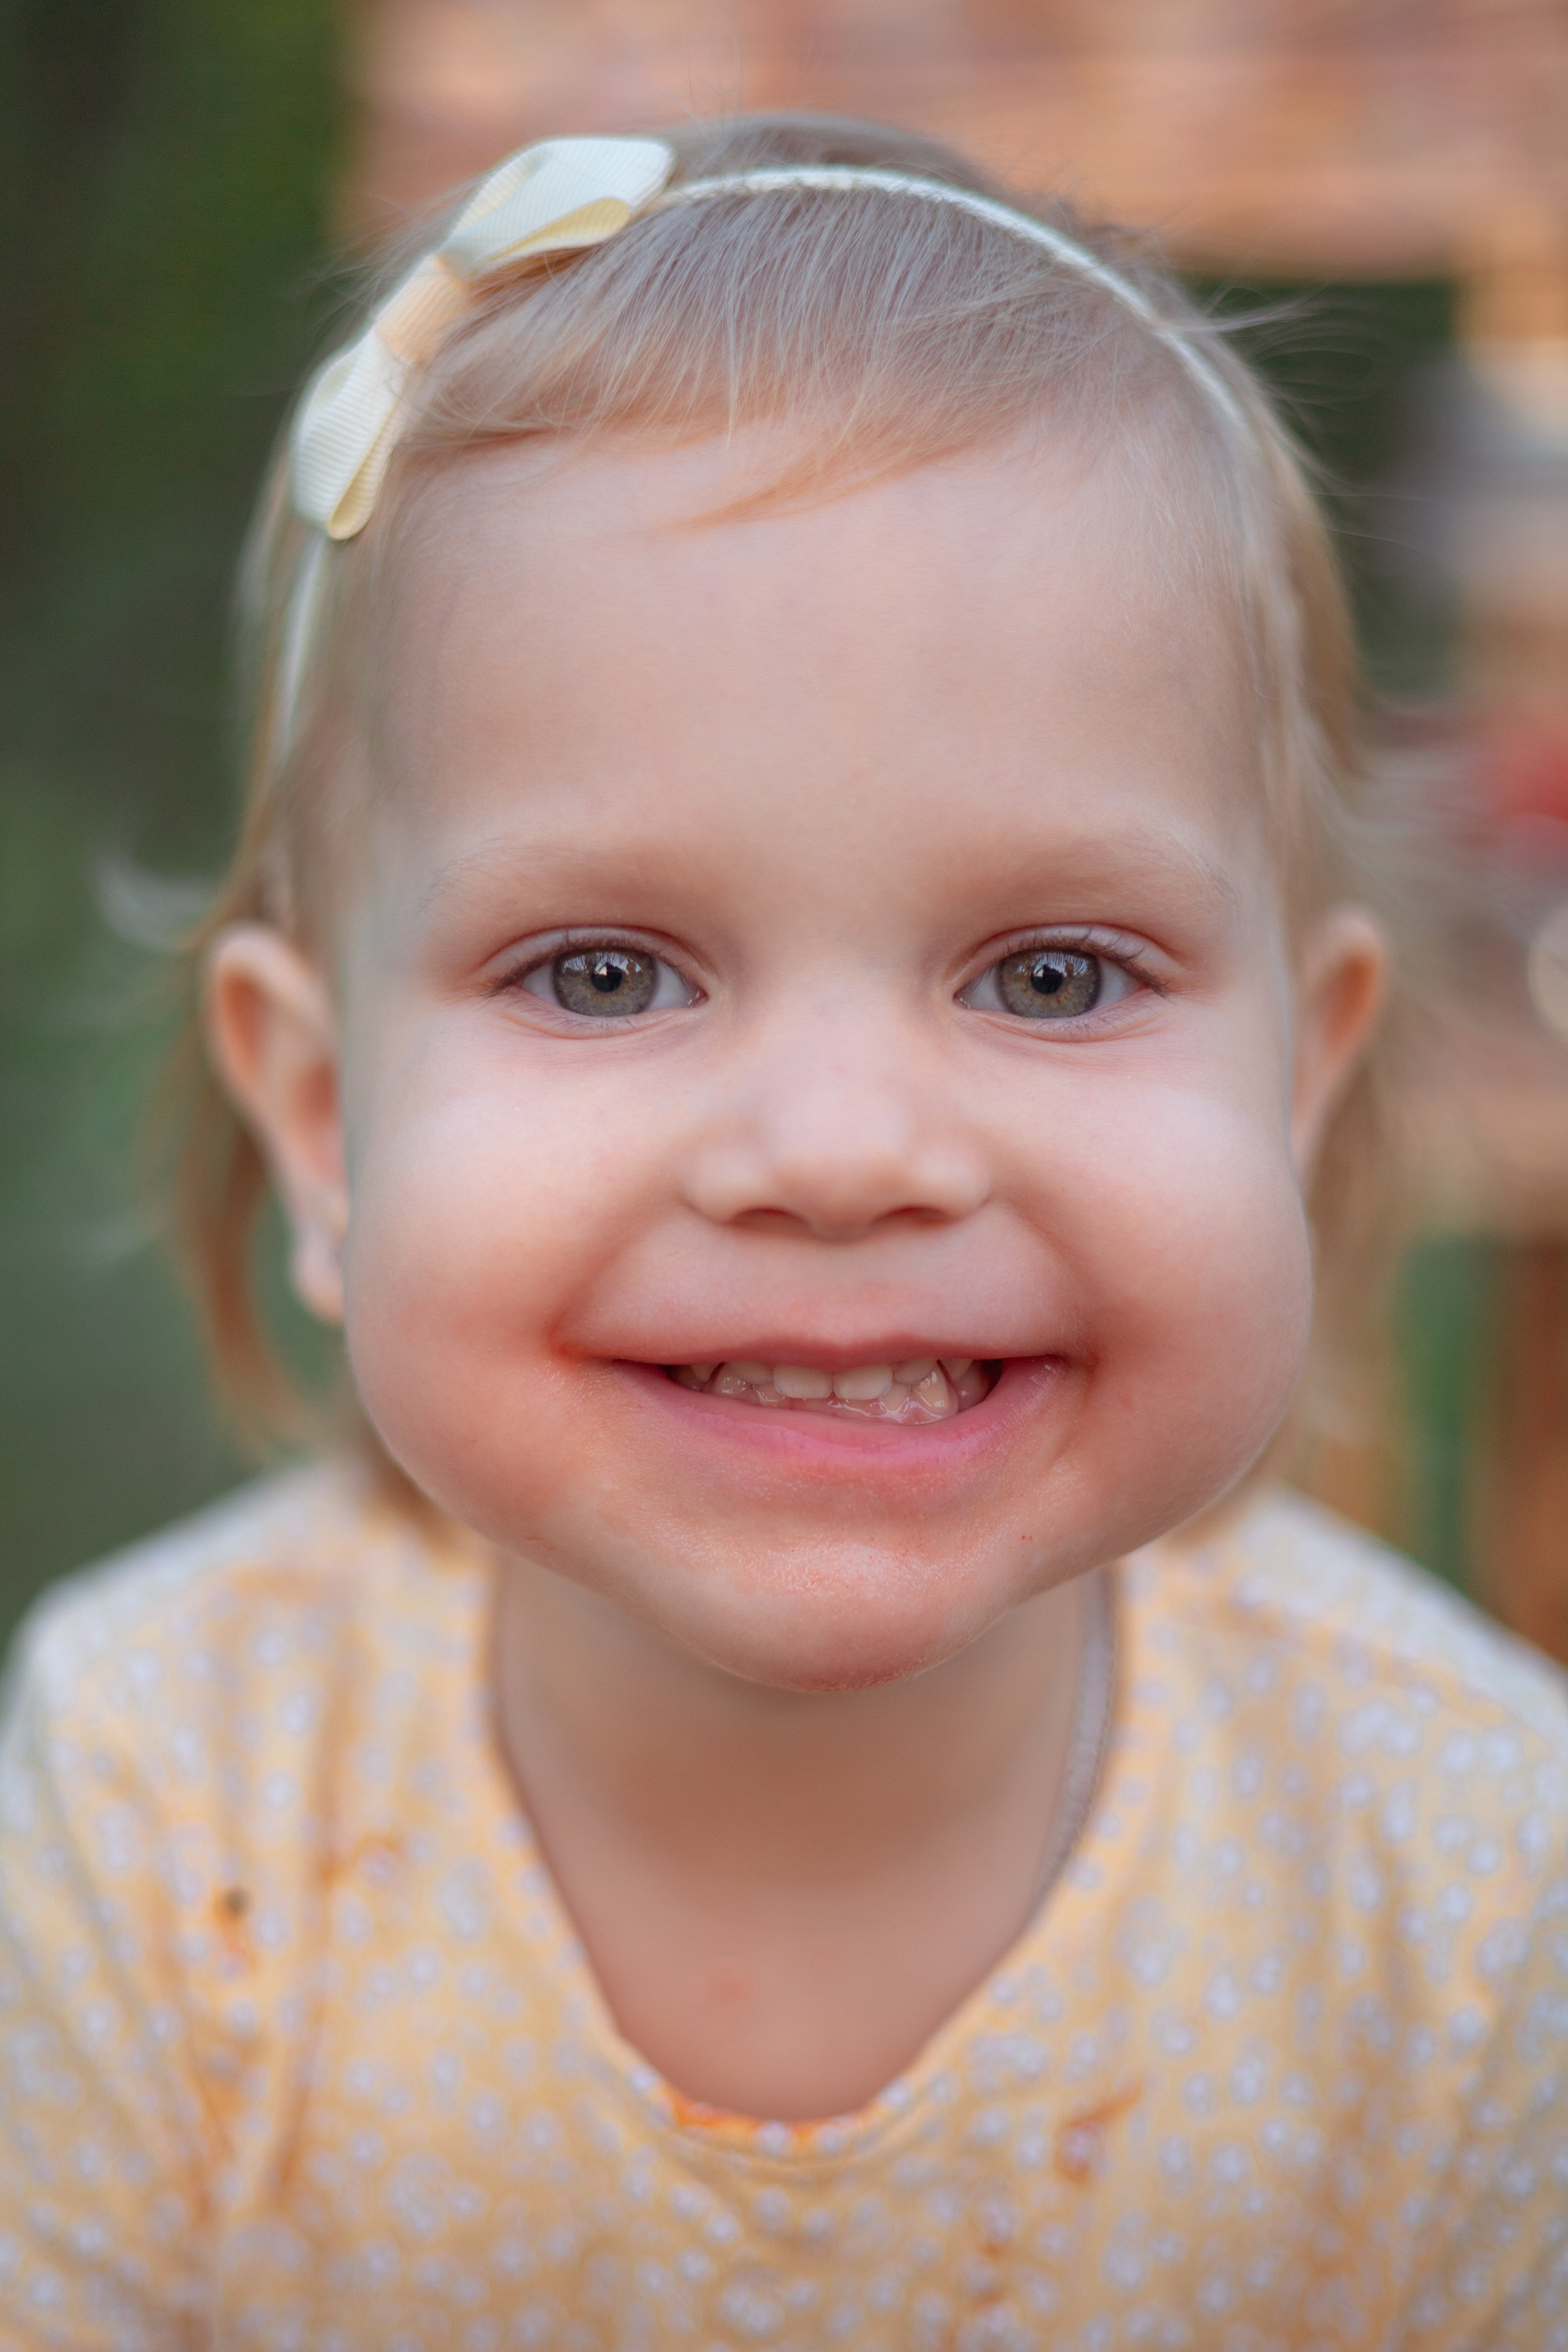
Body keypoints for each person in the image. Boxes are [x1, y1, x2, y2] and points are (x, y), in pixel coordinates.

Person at [1, 111, 1564, 2352]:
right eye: (607, 972)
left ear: (1296, 1091)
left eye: (1051, 974)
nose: (841, 1151)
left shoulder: (1467, 1870)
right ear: (328, 1123)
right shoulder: (176, 1799)